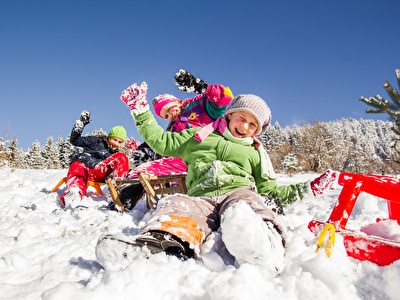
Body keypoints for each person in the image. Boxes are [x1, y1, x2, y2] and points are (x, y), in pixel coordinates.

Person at [96, 82, 338, 272]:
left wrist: (309, 188)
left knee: (247, 207)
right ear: (230, 115)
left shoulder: (254, 151)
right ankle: (156, 244)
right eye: (242, 118)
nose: (245, 127)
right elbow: (161, 141)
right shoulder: (199, 136)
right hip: (202, 195)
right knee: (176, 204)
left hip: (238, 192)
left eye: (253, 125)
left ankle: (263, 244)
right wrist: (141, 111)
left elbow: (270, 190)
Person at [115, 70, 234, 211]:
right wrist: (143, 150)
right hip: (184, 161)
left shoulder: (196, 105)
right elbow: (165, 145)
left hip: (208, 155)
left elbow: (224, 100)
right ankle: (122, 203)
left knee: (148, 170)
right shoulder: (173, 128)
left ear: (176, 101)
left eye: (169, 108)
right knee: (144, 170)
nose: (170, 115)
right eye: (165, 116)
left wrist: (201, 87)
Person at [59, 110, 130, 208]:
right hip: (83, 165)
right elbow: (75, 141)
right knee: (78, 166)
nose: (116, 144)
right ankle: (74, 192)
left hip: (98, 171)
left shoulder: (114, 155)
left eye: (119, 142)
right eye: (114, 139)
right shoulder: (96, 140)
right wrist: (80, 124)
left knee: (122, 156)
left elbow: (123, 168)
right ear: (109, 137)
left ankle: (117, 192)